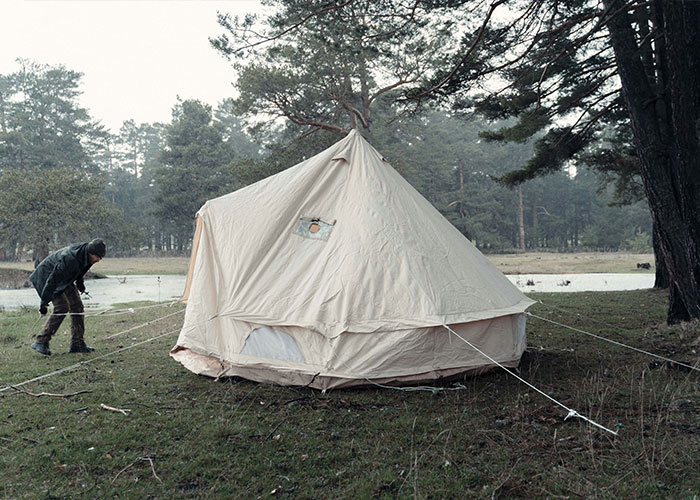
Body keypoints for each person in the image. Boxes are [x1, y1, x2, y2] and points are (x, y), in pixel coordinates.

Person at [28, 238, 106, 355]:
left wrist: (80, 285)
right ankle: (41, 341)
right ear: (91, 253)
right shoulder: (69, 258)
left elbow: (81, 270)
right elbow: (52, 280)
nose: (98, 260)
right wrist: (43, 303)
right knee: (62, 307)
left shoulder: (87, 255)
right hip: (46, 277)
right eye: (97, 257)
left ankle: (77, 344)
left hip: (63, 278)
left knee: (77, 307)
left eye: (100, 258)